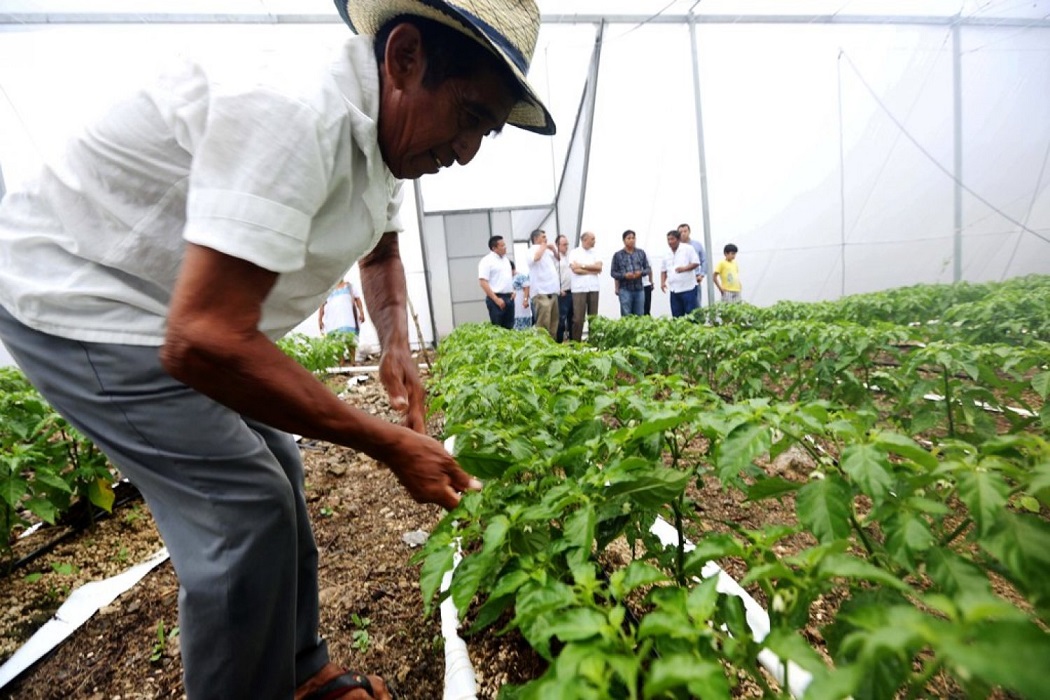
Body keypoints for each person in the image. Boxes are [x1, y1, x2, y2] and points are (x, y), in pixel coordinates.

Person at [0, 1, 555, 698]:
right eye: (470, 116)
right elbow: (201, 340)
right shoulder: (295, 114)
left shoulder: (386, 133)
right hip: (79, 295)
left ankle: (299, 672)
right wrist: (386, 443)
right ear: (404, 58)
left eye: (488, 132)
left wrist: (396, 347)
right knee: (243, 509)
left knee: (279, 463)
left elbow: (382, 251)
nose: (469, 151)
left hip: (169, 307)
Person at [318, 277, 367, 365]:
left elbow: (358, 299)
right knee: (337, 342)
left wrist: (361, 312)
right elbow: (322, 305)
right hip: (334, 320)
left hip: (348, 318)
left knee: (350, 340)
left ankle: (353, 361)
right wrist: (320, 320)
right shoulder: (329, 290)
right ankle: (341, 362)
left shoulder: (349, 287)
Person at [568, 231, 601, 341]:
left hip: (593, 288)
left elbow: (599, 268)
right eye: (592, 239)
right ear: (585, 240)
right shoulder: (574, 252)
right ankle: (576, 343)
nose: (594, 241)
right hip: (579, 289)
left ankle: (593, 342)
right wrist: (591, 270)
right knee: (578, 318)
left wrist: (582, 266)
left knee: (593, 318)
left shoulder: (595, 253)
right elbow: (575, 270)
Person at [527, 228, 560, 338]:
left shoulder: (547, 251)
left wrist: (554, 250)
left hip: (553, 291)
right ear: (536, 239)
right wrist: (543, 247)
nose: (546, 240)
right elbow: (535, 258)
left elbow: (558, 259)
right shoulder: (532, 250)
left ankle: (552, 347)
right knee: (543, 323)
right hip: (541, 293)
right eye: (543, 237)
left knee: (554, 322)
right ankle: (542, 347)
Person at [660, 229, 701, 318]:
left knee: (691, 315)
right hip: (674, 289)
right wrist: (663, 283)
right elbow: (663, 270)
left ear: (678, 239)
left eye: (672, 239)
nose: (670, 242)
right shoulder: (667, 253)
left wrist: (684, 269)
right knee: (677, 317)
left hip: (688, 288)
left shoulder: (688, 248)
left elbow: (696, 262)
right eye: (668, 239)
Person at [610, 230, 651, 317]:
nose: (631, 240)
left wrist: (641, 273)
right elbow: (613, 272)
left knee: (640, 315)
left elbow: (648, 269)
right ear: (624, 240)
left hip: (639, 289)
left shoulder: (641, 253)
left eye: (633, 238)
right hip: (625, 289)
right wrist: (624, 275)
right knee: (626, 315)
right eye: (629, 238)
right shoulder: (618, 255)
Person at [477, 234, 514, 329]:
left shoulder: (506, 260)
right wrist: (496, 299)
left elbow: (507, 278)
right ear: (494, 248)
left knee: (509, 328)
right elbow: (483, 282)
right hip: (496, 298)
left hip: (509, 298)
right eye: (502, 246)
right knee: (498, 329)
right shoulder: (486, 261)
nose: (505, 248)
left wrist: (512, 291)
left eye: (505, 245)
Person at [677, 222, 707, 307]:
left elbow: (704, 260)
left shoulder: (696, 245)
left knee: (695, 305)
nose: (683, 234)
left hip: (695, 279)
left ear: (689, 232)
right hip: (681, 281)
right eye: (681, 232)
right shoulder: (676, 247)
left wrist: (702, 275)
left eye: (685, 231)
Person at [554, 234, 574, 342]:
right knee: (561, 319)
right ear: (557, 245)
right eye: (564, 244)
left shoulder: (569, 257)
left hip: (573, 291)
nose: (566, 246)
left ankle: (572, 342)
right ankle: (559, 342)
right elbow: (552, 275)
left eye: (567, 244)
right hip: (562, 292)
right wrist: (558, 289)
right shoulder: (555, 258)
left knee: (572, 319)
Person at [511, 260, 533, 331]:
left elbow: (526, 287)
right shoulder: (511, 278)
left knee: (523, 325)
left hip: (521, 303)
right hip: (515, 305)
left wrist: (525, 300)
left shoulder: (520, 276)